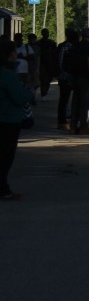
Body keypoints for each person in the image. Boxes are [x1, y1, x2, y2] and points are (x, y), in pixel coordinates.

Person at [1, 37, 36, 200]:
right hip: (8, 119)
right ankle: (3, 188)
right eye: (14, 52)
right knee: (6, 155)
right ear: (9, 55)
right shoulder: (8, 75)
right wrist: (29, 93)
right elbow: (19, 97)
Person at [68, 26, 89, 134]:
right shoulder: (88, 46)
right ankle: (83, 127)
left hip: (75, 77)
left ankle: (72, 126)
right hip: (85, 77)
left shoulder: (76, 45)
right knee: (85, 103)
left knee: (75, 102)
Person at [56, 28, 80, 133]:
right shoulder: (67, 47)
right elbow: (61, 62)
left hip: (65, 76)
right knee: (66, 100)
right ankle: (63, 121)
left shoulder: (64, 46)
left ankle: (63, 121)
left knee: (64, 100)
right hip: (67, 76)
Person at [37, 28, 58, 98]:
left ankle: (44, 93)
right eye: (45, 33)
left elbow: (55, 53)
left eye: (47, 33)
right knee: (44, 79)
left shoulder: (52, 43)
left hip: (50, 63)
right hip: (42, 63)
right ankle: (44, 94)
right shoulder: (39, 43)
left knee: (48, 79)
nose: (47, 34)